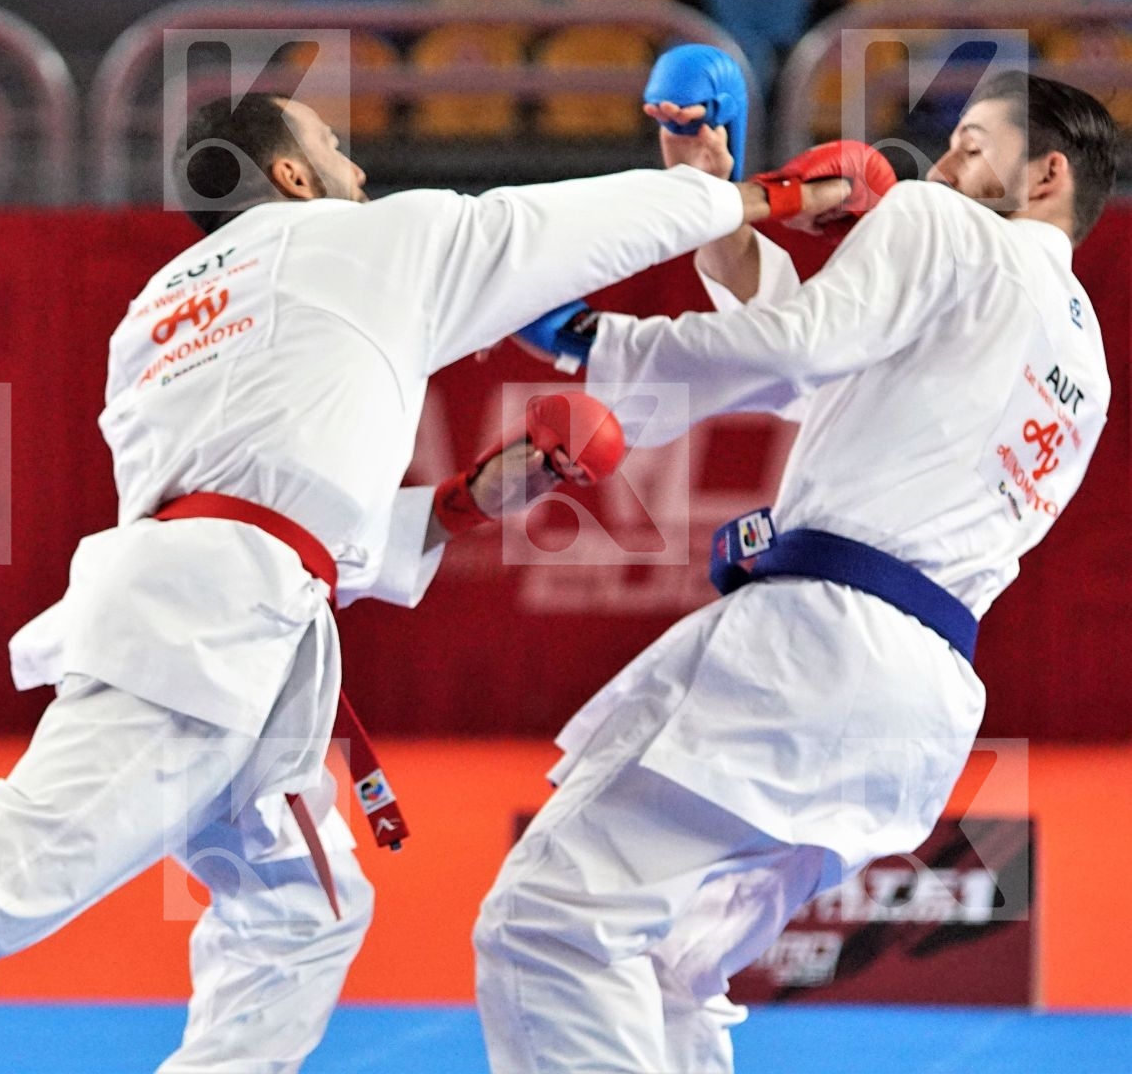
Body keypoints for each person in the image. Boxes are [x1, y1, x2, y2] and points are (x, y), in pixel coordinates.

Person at [0, 92, 843, 1070]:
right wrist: (757, 193)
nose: (364, 168)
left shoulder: (152, 322)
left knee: (302, 910)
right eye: (338, 152)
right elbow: (574, 226)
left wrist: (443, 506)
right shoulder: (365, 243)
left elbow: (255, 490)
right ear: (294, 180)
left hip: (222, 607)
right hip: (206, 630)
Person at [474, 72, 1117, 1074]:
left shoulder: (939, 227)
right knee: (670, 968)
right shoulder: (1080, 361)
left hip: (816, 650)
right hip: (912, 702)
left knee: (546, 923)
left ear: (1044, 172)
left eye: (968, 145)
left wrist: (593, 342)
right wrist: (718, 215)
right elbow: (829, 377)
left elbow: (798, 349)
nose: (938, 164)